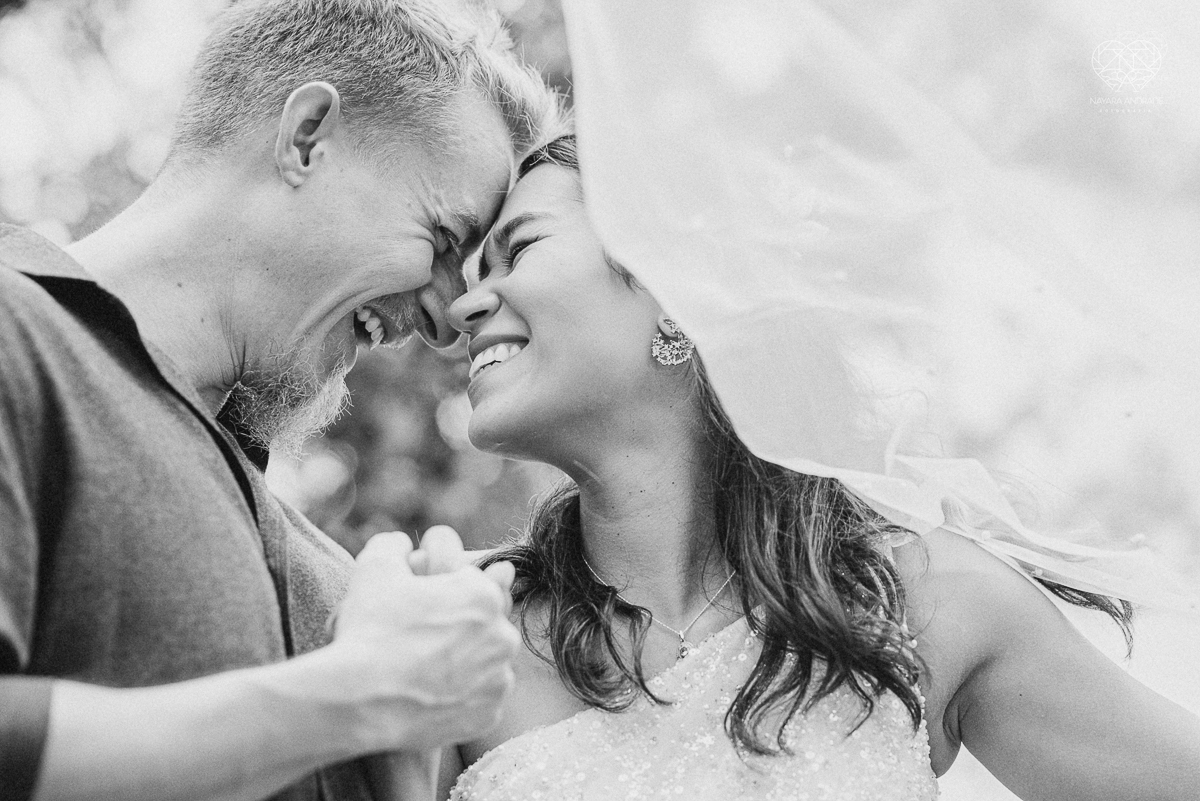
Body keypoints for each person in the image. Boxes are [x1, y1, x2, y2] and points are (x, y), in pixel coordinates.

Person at [437, 136, 1200, 801]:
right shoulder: (456, 633)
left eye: (522, 247)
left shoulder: (924, 604)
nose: (465, 306)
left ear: (673, 285)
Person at [0, 1, 561, 800]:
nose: (445, 322)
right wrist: (356, 697)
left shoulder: (346, 587)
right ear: (306, 137)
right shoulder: (18, 335)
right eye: (442, 241)